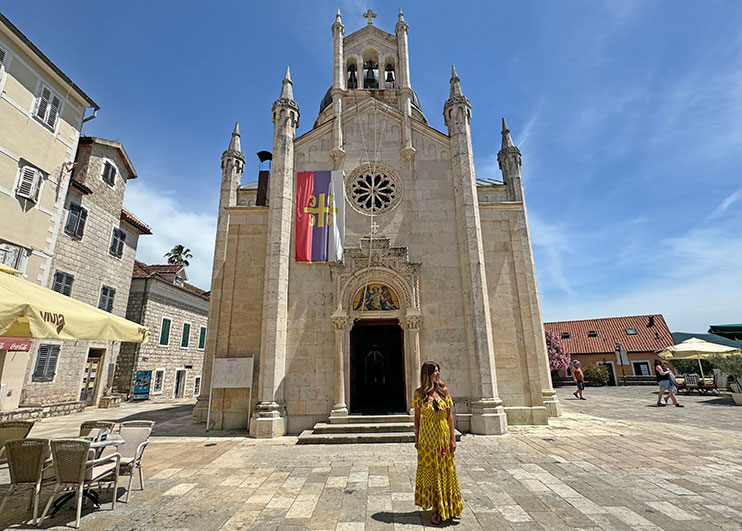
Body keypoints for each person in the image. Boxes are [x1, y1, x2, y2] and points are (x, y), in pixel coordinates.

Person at [413, 361, 463, 525]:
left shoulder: (443, 391)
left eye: (438, 370)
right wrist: (417, 438)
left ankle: (448, 506)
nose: (438, 374)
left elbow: (449, 416)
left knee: (446, 471)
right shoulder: (419, 393)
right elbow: (417, 418)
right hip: (427, 440)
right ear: (427, 374)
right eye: (435, 371)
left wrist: (453, 438)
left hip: (442, 437)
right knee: (432, 474)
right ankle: (437, 508)